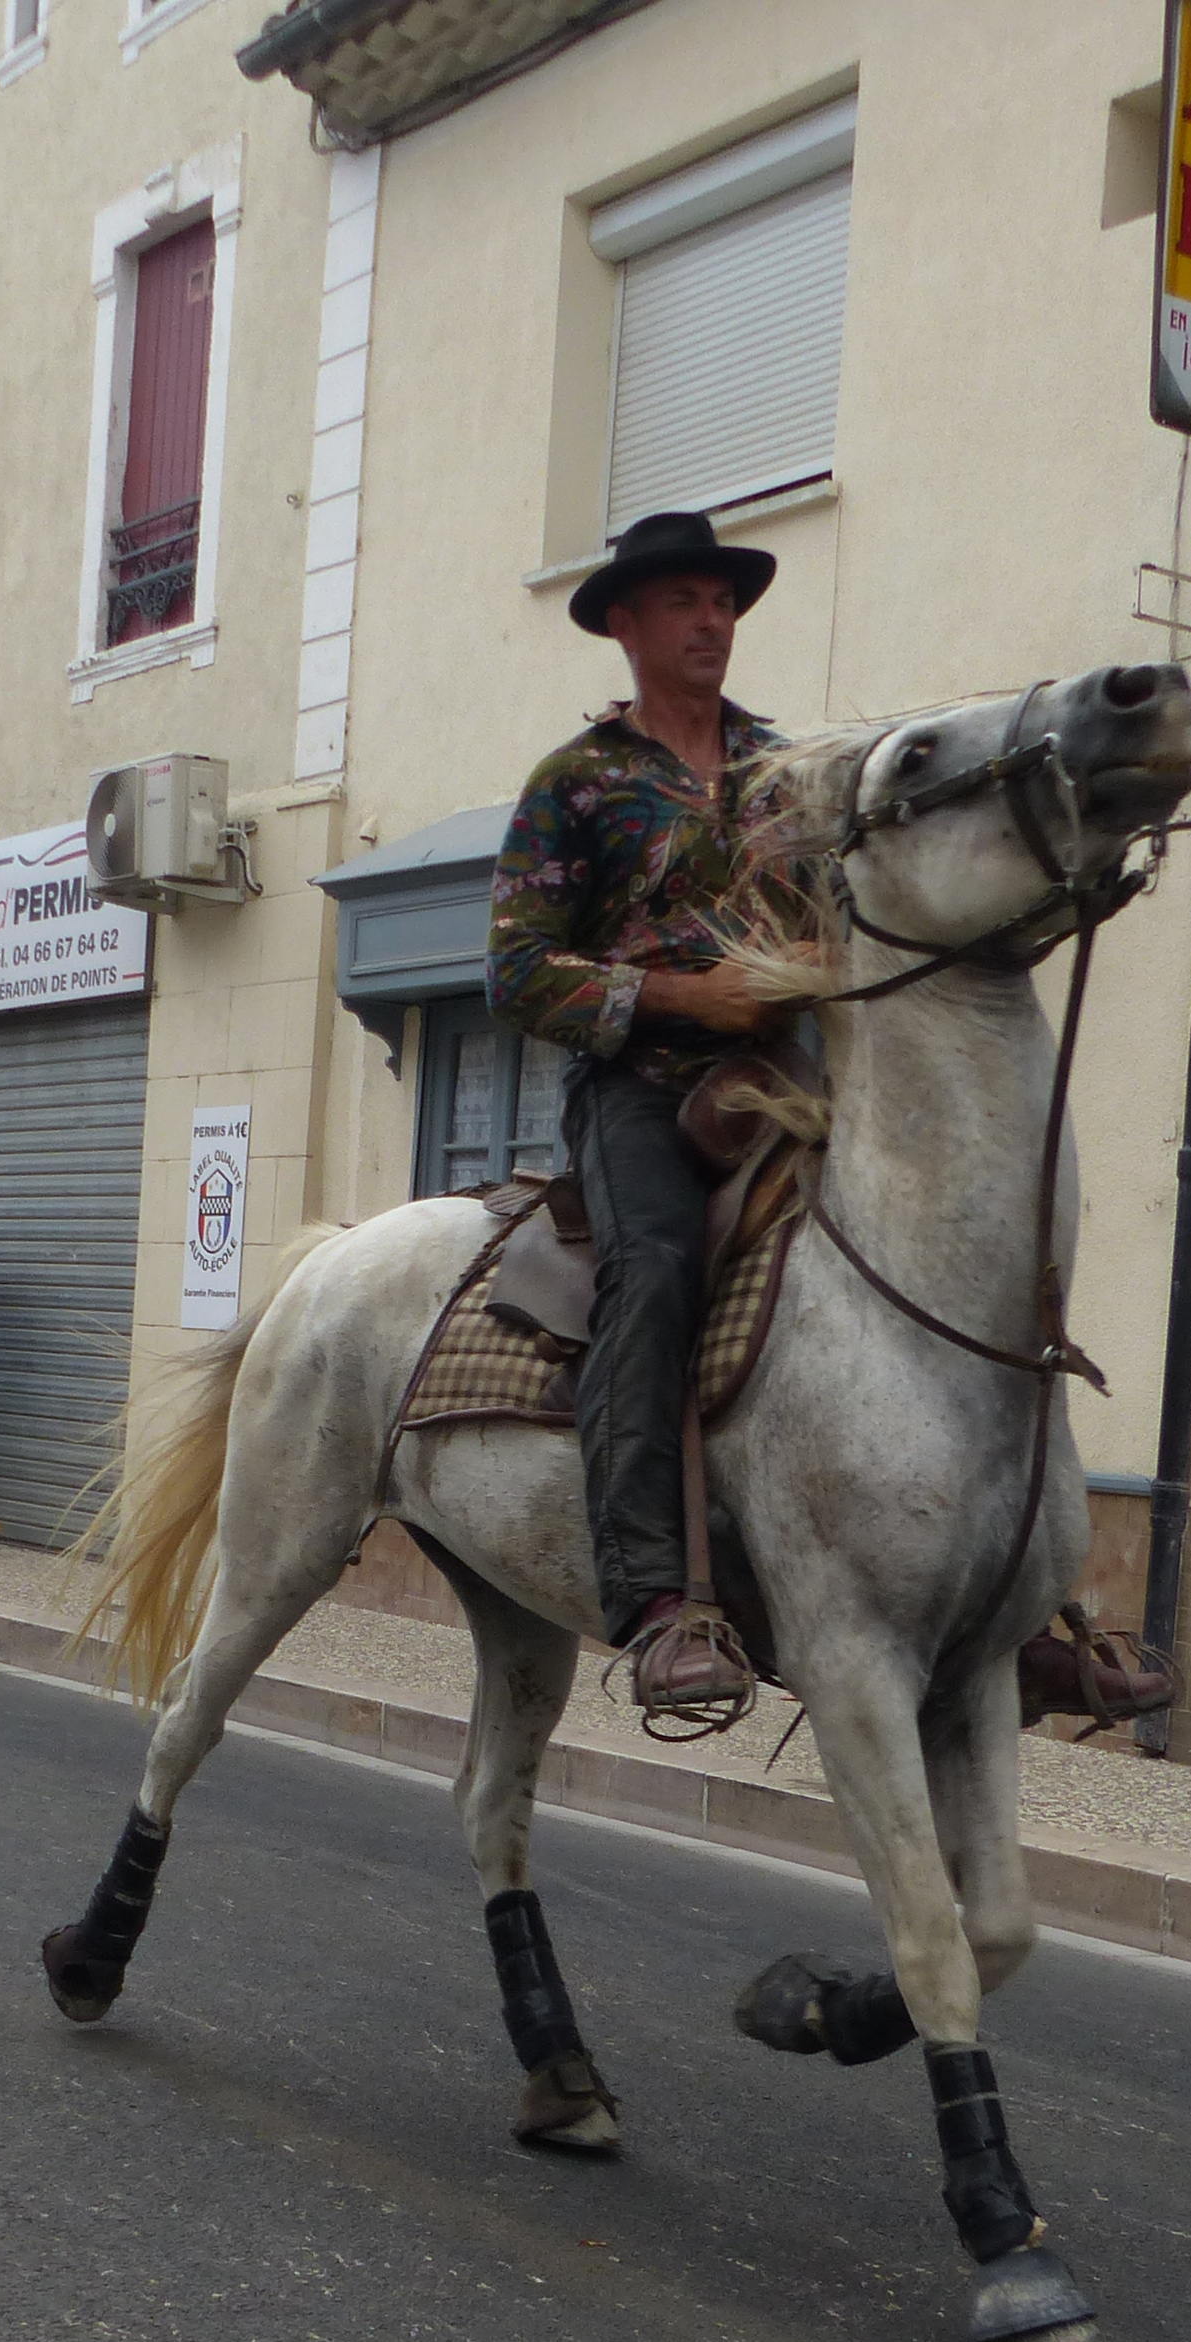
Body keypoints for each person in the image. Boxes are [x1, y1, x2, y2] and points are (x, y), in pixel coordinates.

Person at [485, 506, 801, 1713]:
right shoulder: (575, 783)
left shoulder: (786, 770)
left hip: (791, 1077)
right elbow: (517, 974)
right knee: (654, 1266)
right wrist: (681, 996)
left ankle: (1005, 1594)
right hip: (641, 1089)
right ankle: (654, 1600)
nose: (711, 621)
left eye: (722, 602)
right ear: (625, 624)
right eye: (683, 602)